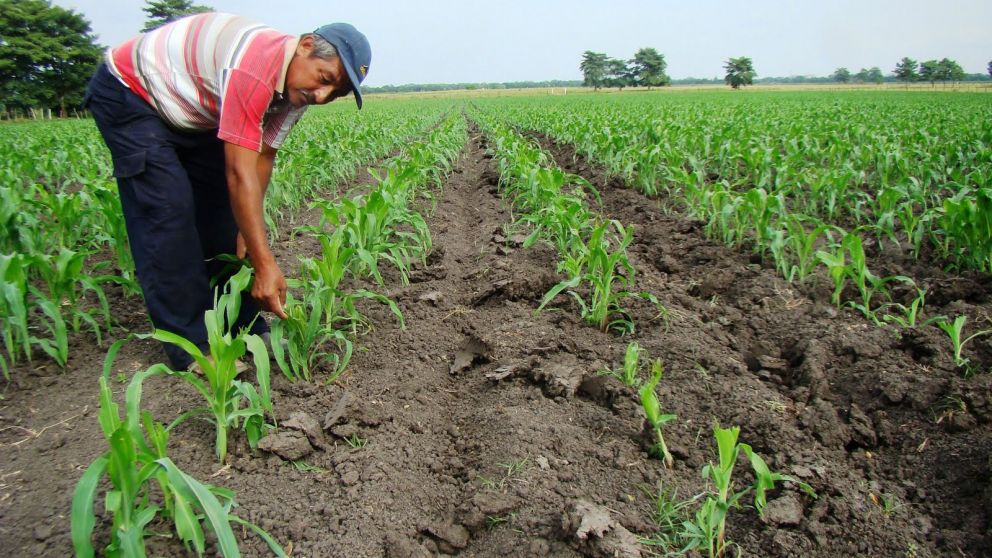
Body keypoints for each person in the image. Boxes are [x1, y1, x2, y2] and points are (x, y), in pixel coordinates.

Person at [84, 13, 371, 370]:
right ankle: (192, 346)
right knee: (168, 213)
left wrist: (246, 232)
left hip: (194, 111)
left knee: (223, 219)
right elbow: (239, 172)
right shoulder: (255, 66)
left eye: (336, 93)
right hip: (132, 96)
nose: (322, 94)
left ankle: (240, 321)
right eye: (325, 79)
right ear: (305, 46)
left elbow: (263, 156)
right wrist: (265, 264)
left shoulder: (296, 95)